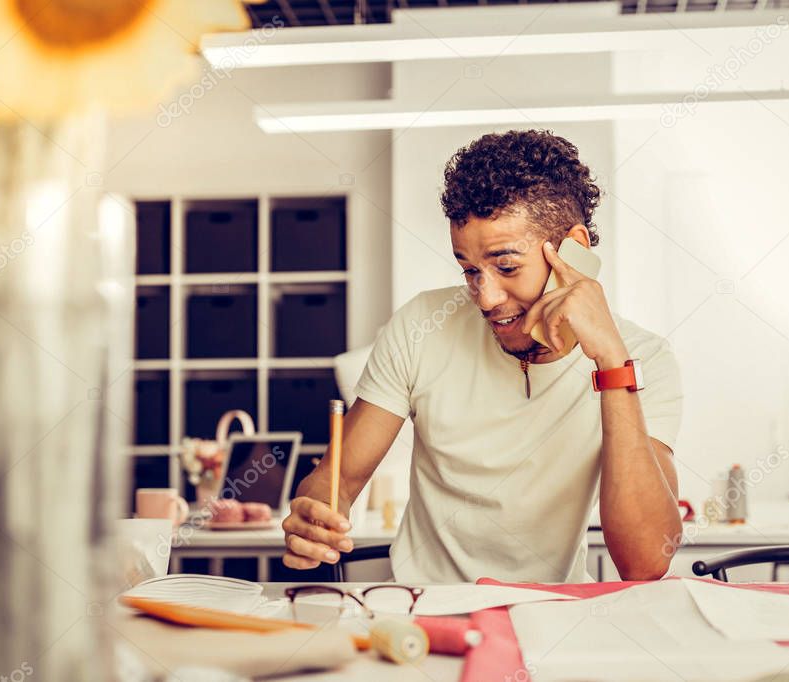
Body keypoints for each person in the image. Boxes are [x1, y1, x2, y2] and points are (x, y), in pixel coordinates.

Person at [282, 129, 683, 582]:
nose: (486, 297)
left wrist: (611, 364)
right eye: (470, 270)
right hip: (428, 614)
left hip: (552, 618)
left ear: (574, 248)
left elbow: (645, 560)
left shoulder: (642, 358)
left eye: (507, 266)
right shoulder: (420, 326)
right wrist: (314, 517)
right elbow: (336, 482)